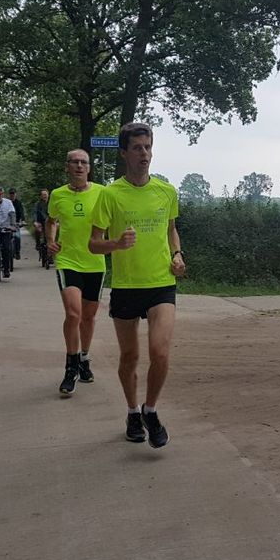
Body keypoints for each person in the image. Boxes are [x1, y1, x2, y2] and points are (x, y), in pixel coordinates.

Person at [89, 123, 186, 448]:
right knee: (129, 357)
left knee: (159, 352)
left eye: (148, 147)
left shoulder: (166, 191)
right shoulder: (109, 194)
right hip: (127, 287)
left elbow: (171, 229)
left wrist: (177, 254)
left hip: (161, 283)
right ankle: (132, 412)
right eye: (137, 148)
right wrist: (115, 244)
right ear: (124, 153)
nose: (144, 153)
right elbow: (94, 244)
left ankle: (151, 410)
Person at [46, 149, 106, 397]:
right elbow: (51, 220)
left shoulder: (102, 193)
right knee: (73, 313)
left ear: (89, 168)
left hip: (95, 262)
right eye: (75, 162)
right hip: (68, 260)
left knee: (89, 317)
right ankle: (70, 367)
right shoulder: (57, 195)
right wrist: (51, 240)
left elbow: (115, 219)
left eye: (84, 162)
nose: (80, 166)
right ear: (67, 166)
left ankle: (84, 358)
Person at [8, 189, 26, 260]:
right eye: (11, 194)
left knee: (17, 237)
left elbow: (21, 212)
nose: (12, 195)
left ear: (16, 194)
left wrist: (23, 220)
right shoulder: (6, 202)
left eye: (13, 194)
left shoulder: (18, 203)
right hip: (7, 223)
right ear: (9, 195)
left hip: (16, 223)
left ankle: (17, 252)